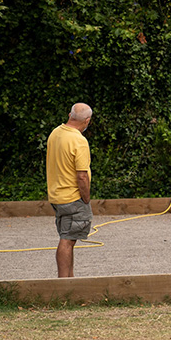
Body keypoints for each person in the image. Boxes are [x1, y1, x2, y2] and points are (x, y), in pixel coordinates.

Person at [46, 103, 94, 278]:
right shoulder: (78, 141)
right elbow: (82, 176)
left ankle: (69, 279)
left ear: (69, 115)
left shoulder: (55, 133)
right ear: (87, 121)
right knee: (67, 240)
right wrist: (86, 198)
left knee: (67, 238)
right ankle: (64, 283)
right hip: (72, 198)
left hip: (56, 195)